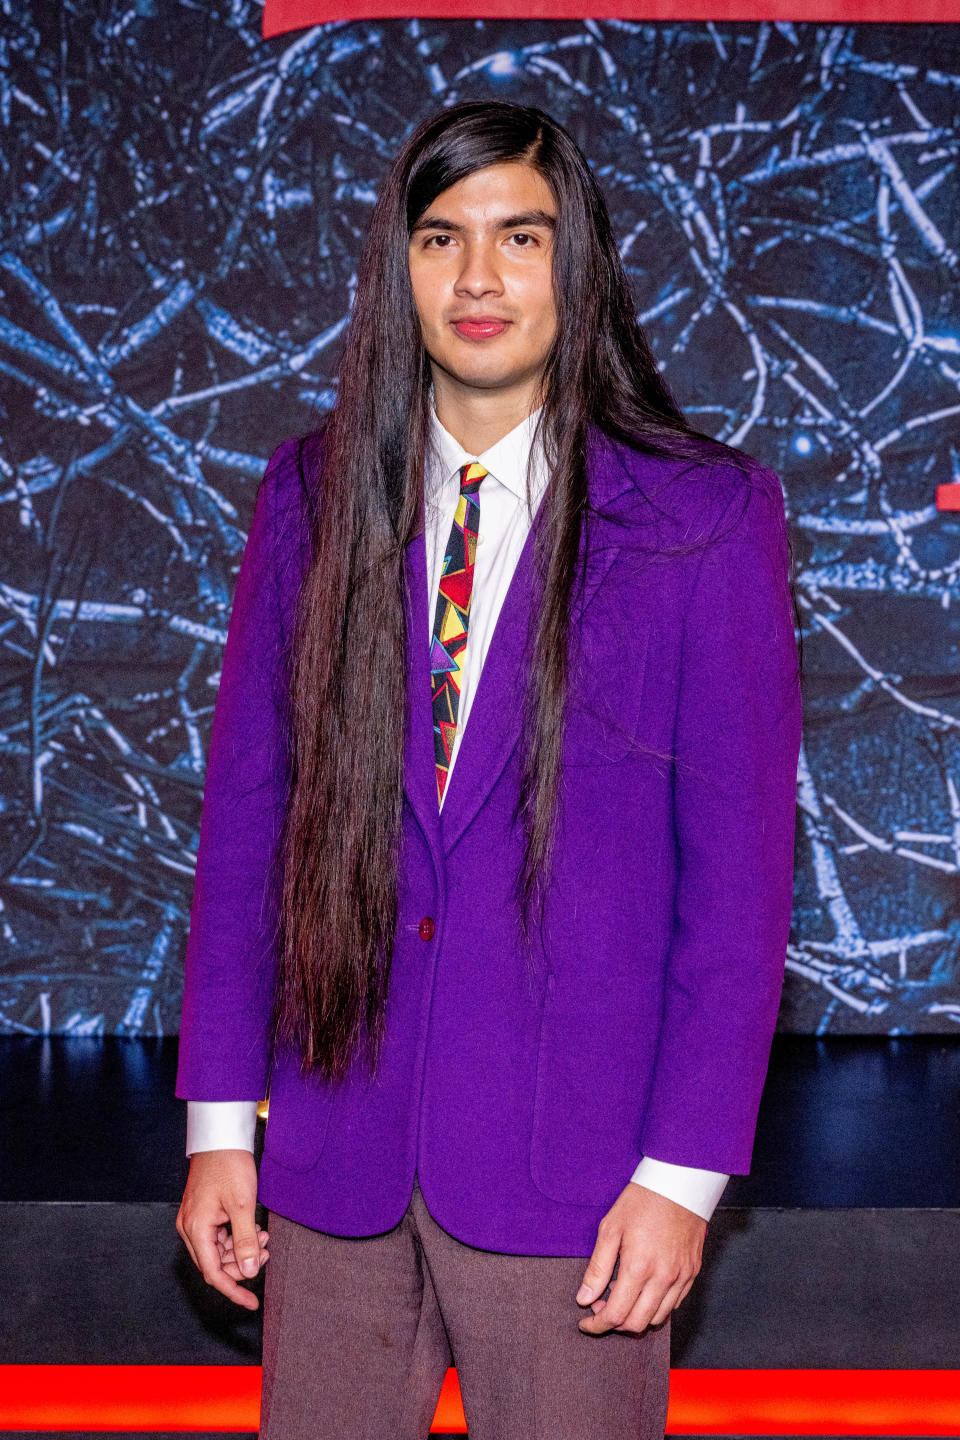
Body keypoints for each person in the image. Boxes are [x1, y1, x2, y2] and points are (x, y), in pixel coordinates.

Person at [175, 99, 802, 1439]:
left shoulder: (703, 517)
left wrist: (683, 1177)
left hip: (576, 1180)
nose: (477, 277)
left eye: (522, 237)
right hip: (335, 1158)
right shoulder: (311, 495)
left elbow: (739, 895)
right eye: (441, 237)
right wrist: (221, 1125)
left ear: (578, 268)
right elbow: (247, 831)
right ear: (396, 270)